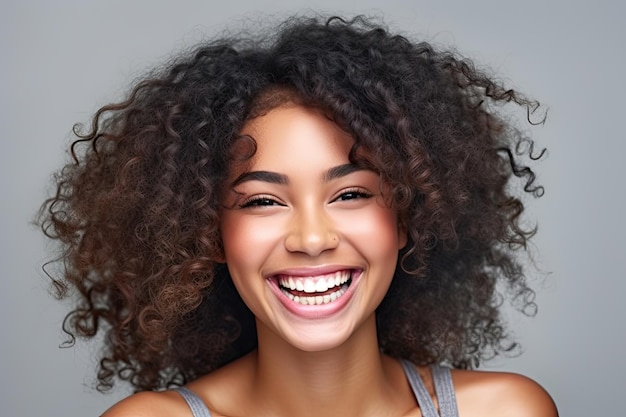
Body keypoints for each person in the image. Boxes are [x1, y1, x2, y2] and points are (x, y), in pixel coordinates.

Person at [38, 15, 558, 417]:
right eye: (263, 201)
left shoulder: (505, 410)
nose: (311, 238)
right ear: (208, 235)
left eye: (351, 194)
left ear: (406, 218)